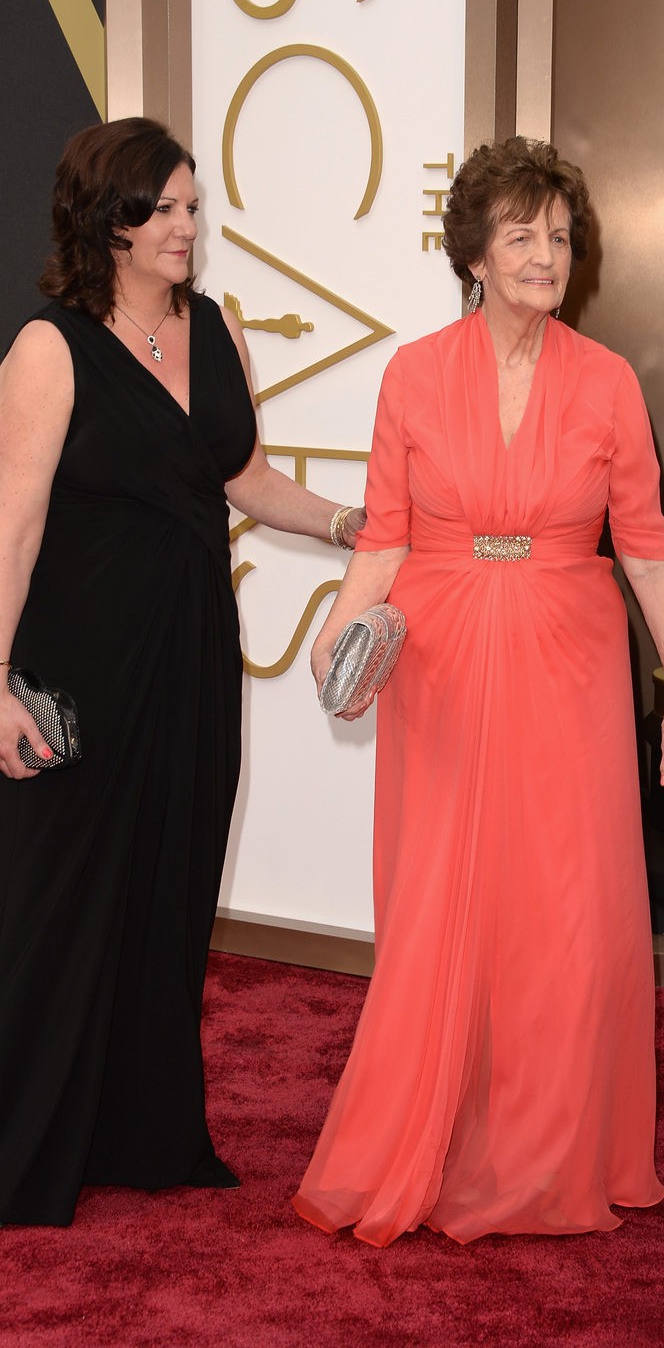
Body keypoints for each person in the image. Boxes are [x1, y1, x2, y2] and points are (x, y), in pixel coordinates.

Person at [293, 136, 664, 1246]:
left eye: (559, 236)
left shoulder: (607, 380)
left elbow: (648, 548)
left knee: (566, 913)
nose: (542, 255)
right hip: (438, 662)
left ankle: (543, 1148)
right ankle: (432, 1128)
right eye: (519, 235)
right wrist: (337, 648)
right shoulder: (412, 374)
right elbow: (382, 539)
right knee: (442, 904)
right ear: (472, 252)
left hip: (570, 661)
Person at [0, 117, 364, 1226]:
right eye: (162, 210)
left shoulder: (215, 331)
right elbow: (9, 530)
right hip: (81, 668)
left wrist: (353, 521)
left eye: (192, 208)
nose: (185, 229)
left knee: (169, 893)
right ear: (106, 222)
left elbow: (244, 476)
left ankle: (138, 1133)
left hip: (193, 656)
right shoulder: (49, 349)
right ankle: (22, 1144)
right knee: (53, 908)